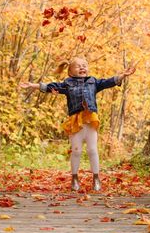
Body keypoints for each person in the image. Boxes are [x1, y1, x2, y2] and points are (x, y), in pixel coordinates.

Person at [20, 57, 136, 191]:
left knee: (92, 150)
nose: (82, 68)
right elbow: (51, 86)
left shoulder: (93, 82)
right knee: (76, 151)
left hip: (90, 120)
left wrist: (123, 75)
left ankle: (96, 178)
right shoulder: (67, 83)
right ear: (70, 71)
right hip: (75, 122)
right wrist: (33, 85)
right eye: (78, 66)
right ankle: (74, 178)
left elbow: (109, 82)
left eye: (84, 65)